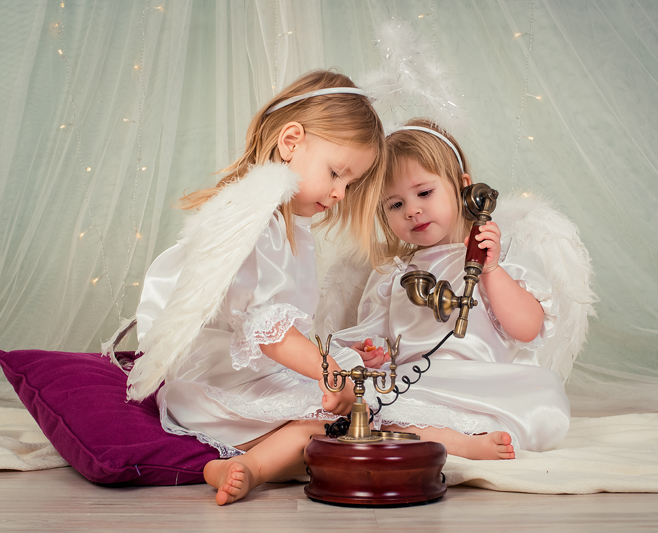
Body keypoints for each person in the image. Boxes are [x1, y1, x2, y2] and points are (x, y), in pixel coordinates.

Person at [122, 70, 385, 505]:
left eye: (349, 183)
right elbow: (269, 331)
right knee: (343, 424)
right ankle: (252, 466)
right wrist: (330, 372)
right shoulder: (256, 221)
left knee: (353, 411)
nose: (340, 192)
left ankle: (240, 461)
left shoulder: (286, 225)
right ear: (291, 141)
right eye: (336, 173)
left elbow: (284, 325)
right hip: (218, 384)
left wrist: (339, 359)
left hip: (249, 374)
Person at [327, 118, 570, 460]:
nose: (412, 210)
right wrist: (374, 353)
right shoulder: (394, 276)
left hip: (484, 384)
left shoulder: (502, 258)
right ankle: (459, 443)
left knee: (544, 396)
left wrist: (491, 270)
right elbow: (379, 340)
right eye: (395, 204)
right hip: (420, 384)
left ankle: (457, 434)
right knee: (363, 405)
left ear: (463, 186)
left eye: (424, 193)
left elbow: (528, 329)